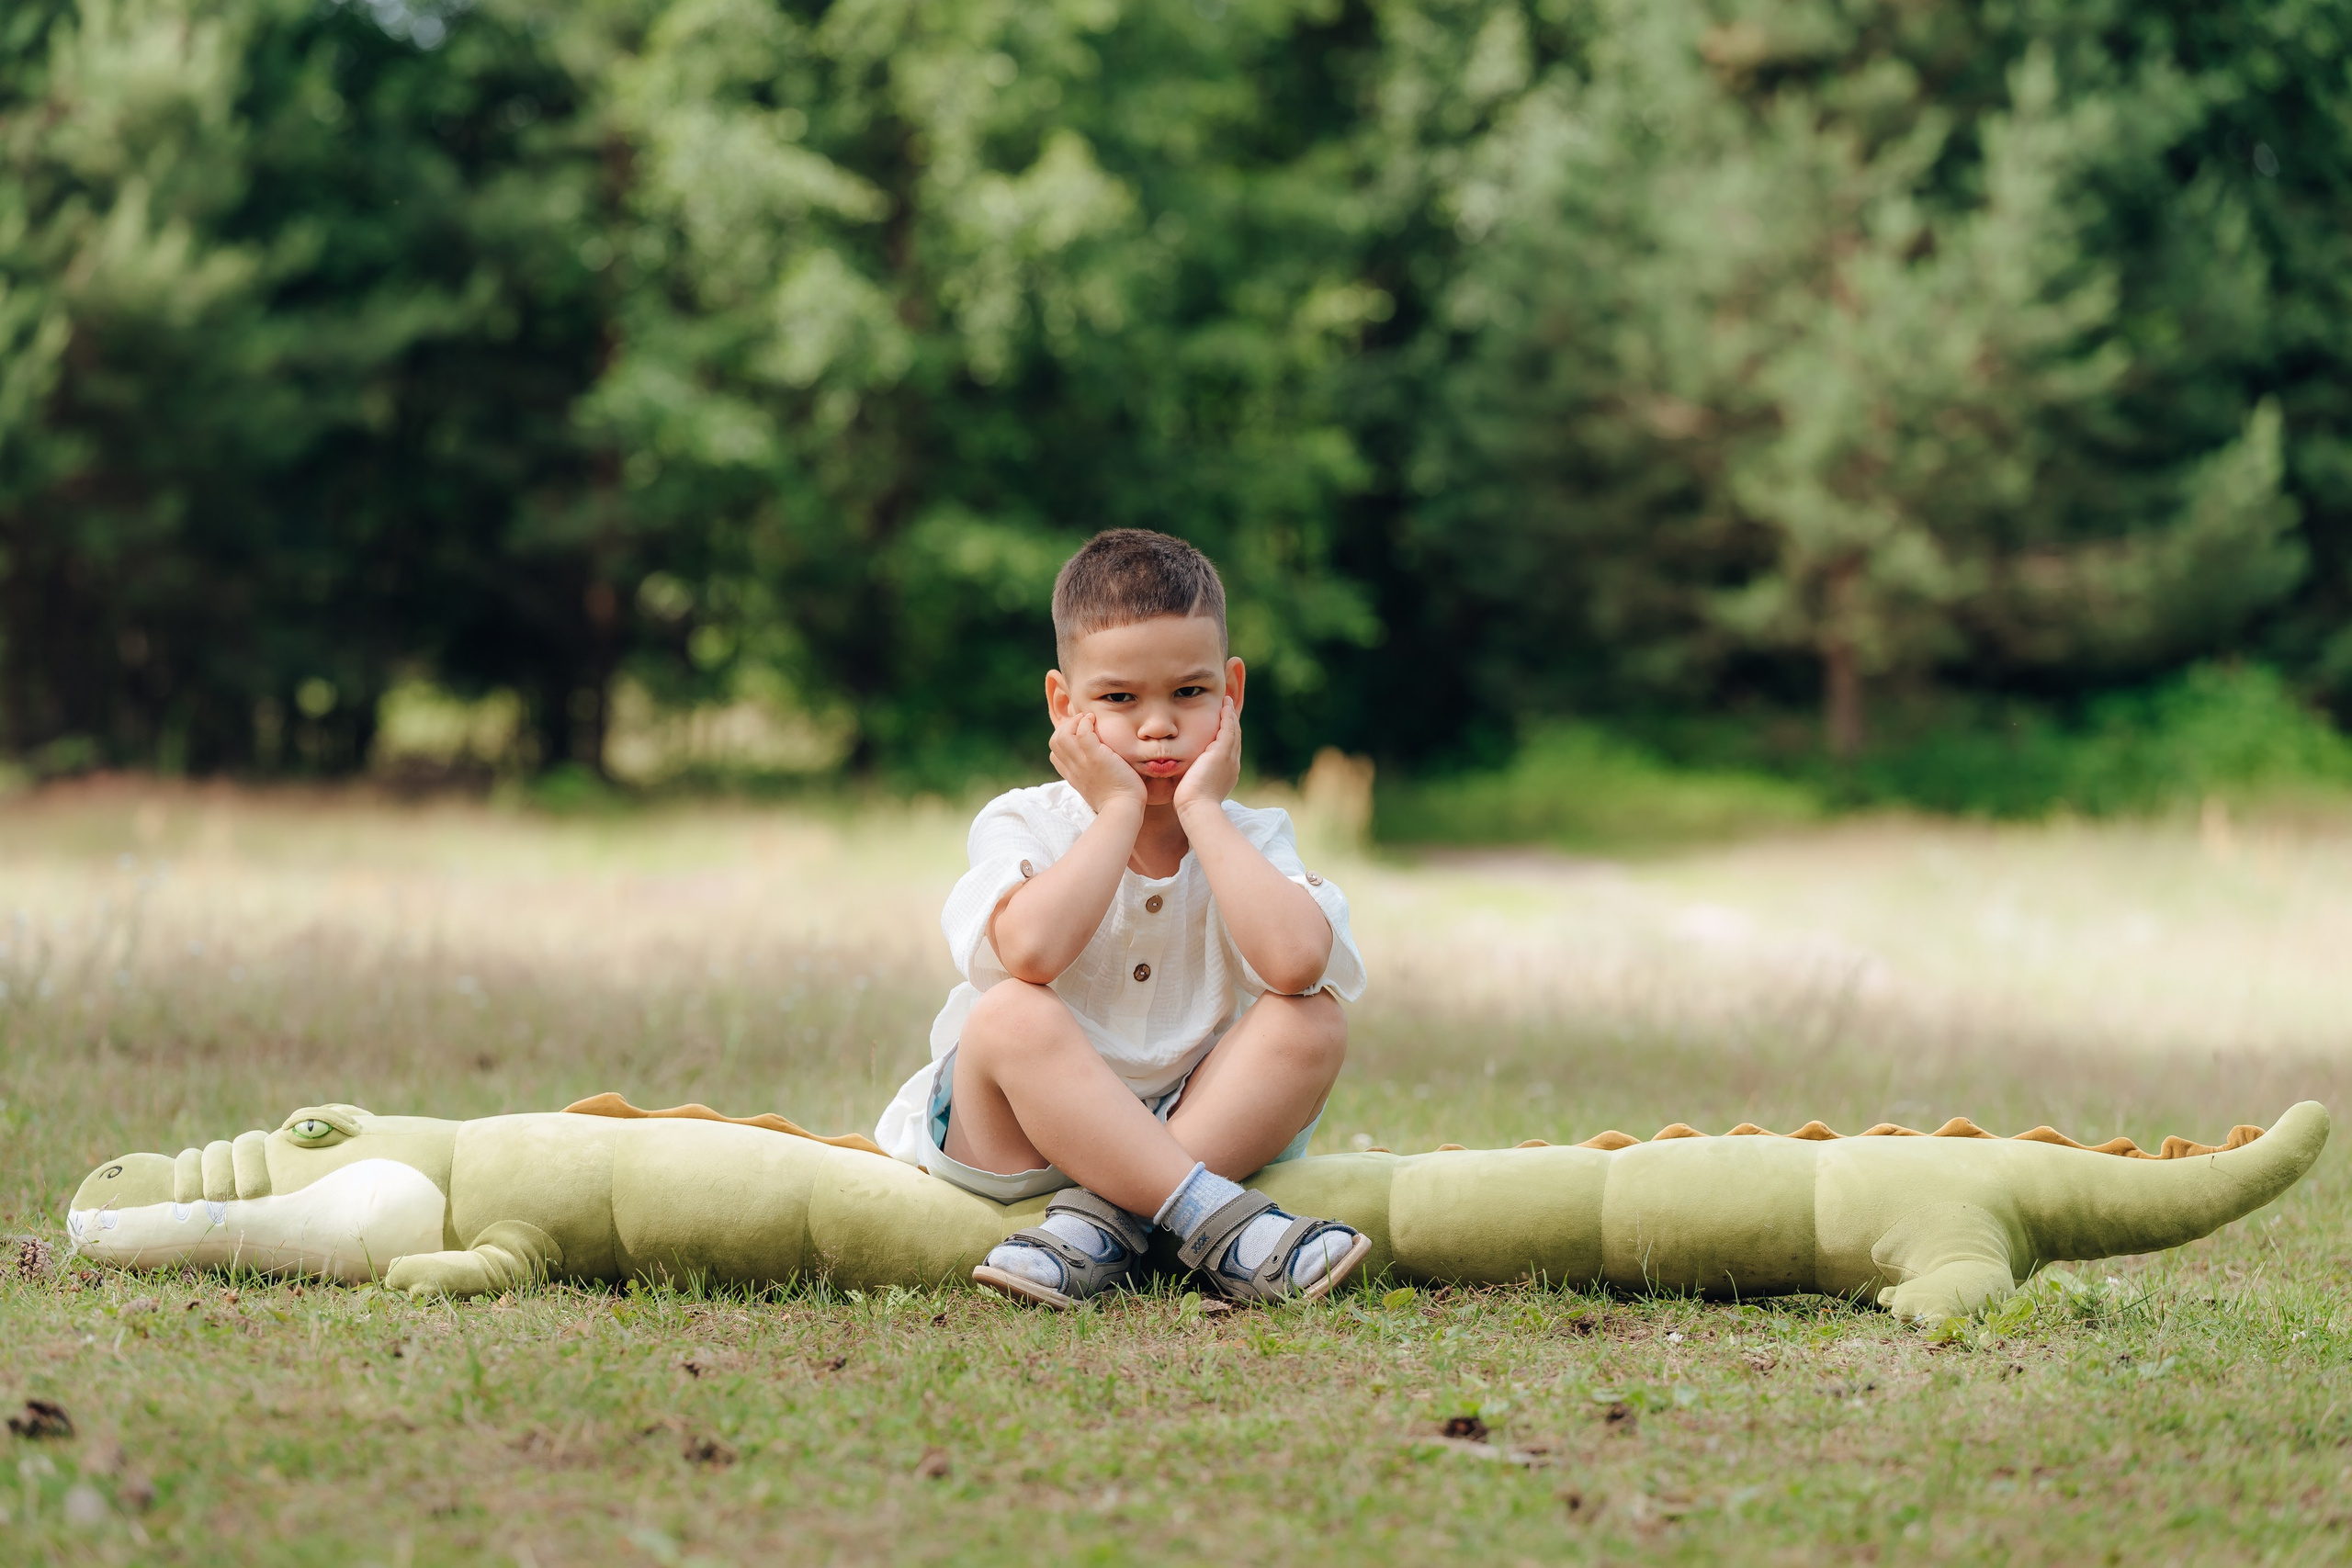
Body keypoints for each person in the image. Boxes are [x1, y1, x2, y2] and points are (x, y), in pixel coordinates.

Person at [872, 529, 1373, 1308]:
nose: (1157, 726)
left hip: (1196, 1118)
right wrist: (1116, 809)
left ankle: (1106, 1219)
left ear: (1230, 694)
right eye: (1118, 699)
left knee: (1313, 1022)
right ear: (1063, 705)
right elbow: (1029, 950)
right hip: (1019, 1139)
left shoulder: (1251, 833)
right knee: (1007, 1013)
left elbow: (1298, 962)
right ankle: (1212, 1217)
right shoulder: (1023, 820)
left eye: (1189, 693)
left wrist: (1203, 809)